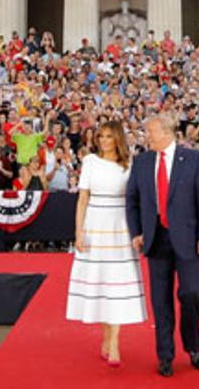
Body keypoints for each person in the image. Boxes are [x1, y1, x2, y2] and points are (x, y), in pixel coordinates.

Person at [126, 115, 199, 377]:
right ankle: (165, 355)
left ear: (165, 132)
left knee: (194, 294)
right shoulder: (141, 162)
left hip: (188, 240)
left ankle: (193, 344)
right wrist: (137, 232)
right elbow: (132, 200)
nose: (146, 136)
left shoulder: (194, 159)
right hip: (155, 240)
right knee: (160, 302)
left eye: (150, 132)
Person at [66, 121, 147, 367]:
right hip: (94, 227)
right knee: (100, 284)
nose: (103, 141)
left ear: (118, 139)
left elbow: (136, 202)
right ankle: (106, 336)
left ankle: (114, 343)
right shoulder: (90, 161)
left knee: (117, 287)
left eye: (109, 137)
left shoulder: (130, 165)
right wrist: (79, 232)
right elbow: (82, 200)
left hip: (120, 229)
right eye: (100, 136)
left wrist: (138, 232)